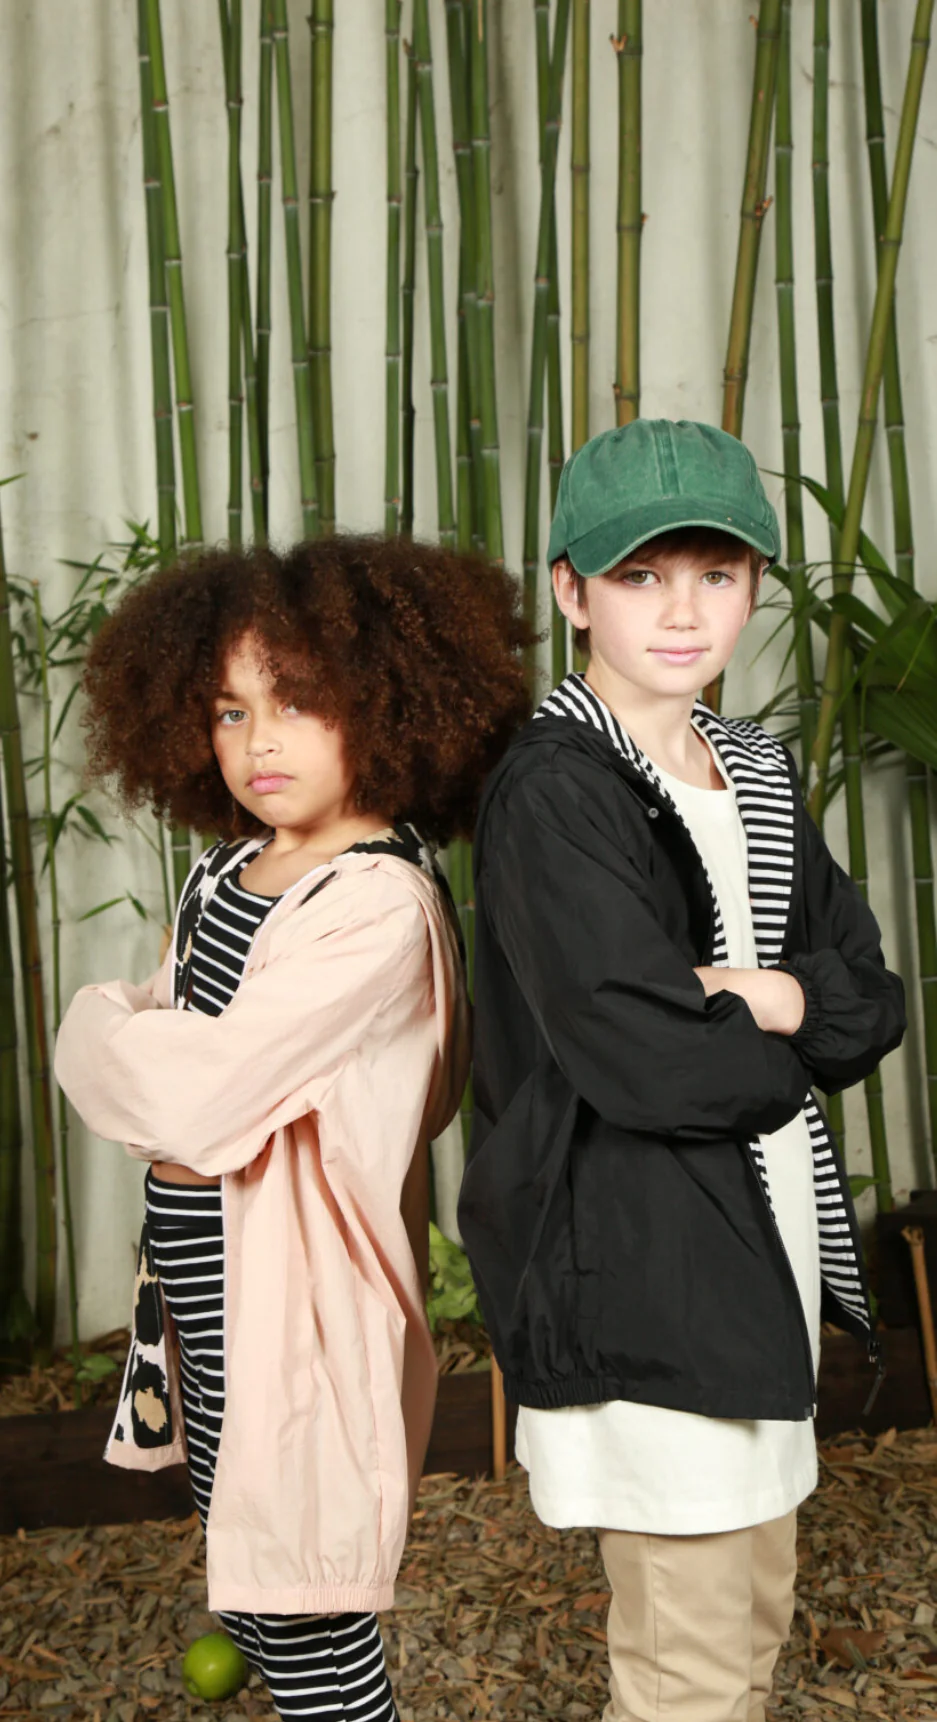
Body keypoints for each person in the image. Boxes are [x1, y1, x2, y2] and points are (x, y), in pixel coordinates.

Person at [459, 419, 906, 1722]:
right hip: (643, 1267)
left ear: (754, 584)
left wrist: (766, 995)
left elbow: (868, 1000)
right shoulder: (553, 790)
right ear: (570, 590)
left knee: (745, 1636)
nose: (681, 610)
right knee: (689, 1676)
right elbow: (648, 1060)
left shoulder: (753, 769)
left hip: (763, 1254)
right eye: (641, 575)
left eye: (715, 573)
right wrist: (785, 1024)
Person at [56, 534, 531, 1722]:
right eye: (230, 710)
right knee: (248, 1566)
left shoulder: (375, 904)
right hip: (199, 1286)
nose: (257, 743)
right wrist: (140, 1054)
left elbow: (185, 1091)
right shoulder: (228, 871)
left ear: (391, 705)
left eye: (299, 703)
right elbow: (165, 1061)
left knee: (302, 1603)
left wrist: (112, 1037)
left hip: (296, 1306)